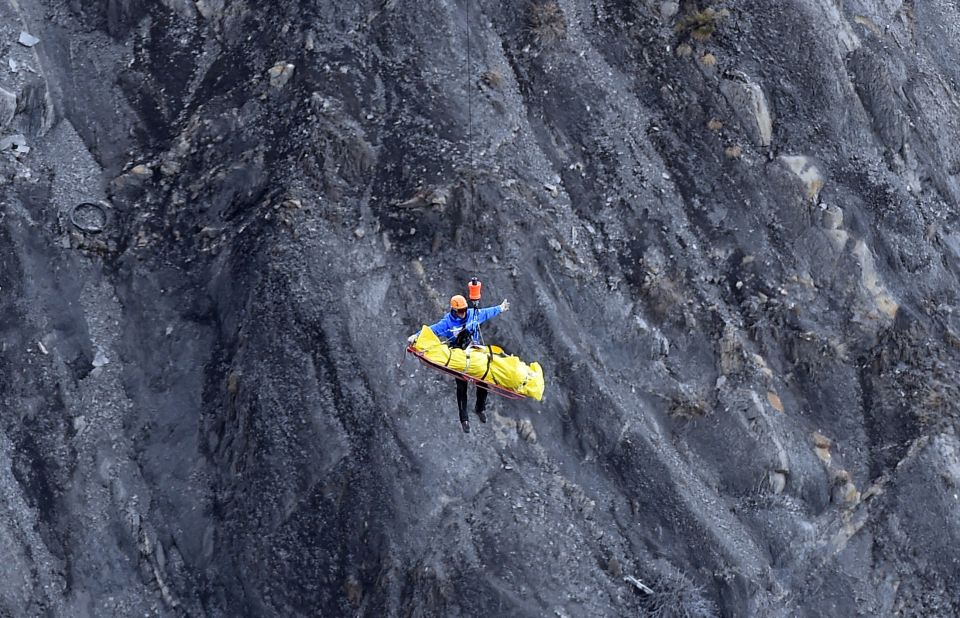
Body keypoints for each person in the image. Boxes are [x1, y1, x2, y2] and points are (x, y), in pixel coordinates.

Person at [409, 294, 510, 433]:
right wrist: (417, 335)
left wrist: (500, 308)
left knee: (484, 382)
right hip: (459, 356)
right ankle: (464, 419)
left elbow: (486, 313)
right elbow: (433, 330)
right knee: (461, 387)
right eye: (460, 311)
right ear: (454, 310)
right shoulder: (448, 322)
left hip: (475, 353)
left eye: (464, 309)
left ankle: (479, 408)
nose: (463, 313)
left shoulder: (472, 315)